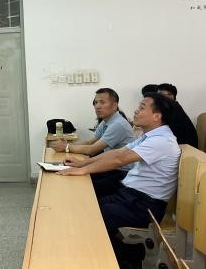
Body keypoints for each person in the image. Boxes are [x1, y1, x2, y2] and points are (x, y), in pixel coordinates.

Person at [58, 93, 181, 269]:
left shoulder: (162, 141)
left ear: (157, 116)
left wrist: (82, 170)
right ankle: (129, 254)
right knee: (85, 208)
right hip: (132, 197)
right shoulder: (150, 136)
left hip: (145, 206)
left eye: (141, 107)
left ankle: (125, 257)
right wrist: (82, 163)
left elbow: (119, 160)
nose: (135, 111)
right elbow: (117, 153)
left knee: (89, 217)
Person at [50, 88, 136, 197]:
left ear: (114, 105)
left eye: (102, 102)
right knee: (73, 176)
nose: (97, 106)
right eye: (95, 102)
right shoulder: (106, 121)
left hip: (121, 172)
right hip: (109, 166)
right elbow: (90, 141)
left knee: (81, 186)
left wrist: (66, 147)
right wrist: (68, 145)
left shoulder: (118, 124)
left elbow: (93, 149)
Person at [156, 83, 198, 147]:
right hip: (175, 143)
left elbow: (166, 130)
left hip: (185, 146)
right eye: (157, 95)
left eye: (161, 95)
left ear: (172, 96)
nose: (157, 98)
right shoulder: (169, 107)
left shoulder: (173, 108)